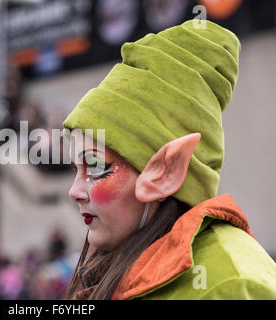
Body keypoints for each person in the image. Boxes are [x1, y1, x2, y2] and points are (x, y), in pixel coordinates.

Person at [61, 19, 276, 300]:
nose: (74, 191)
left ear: (167, 170)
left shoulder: (230, 285)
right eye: (76, 169)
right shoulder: (118, 263)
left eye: (97, 165)